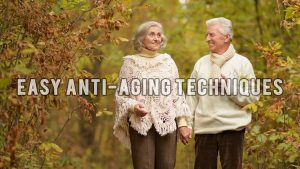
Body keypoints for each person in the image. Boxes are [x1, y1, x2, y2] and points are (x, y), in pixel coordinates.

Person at [113, 21, 192, 169]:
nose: (157, 38)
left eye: (159, 35)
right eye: (152, 34)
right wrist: (134, 106)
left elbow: (177, 95)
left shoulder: (168, 62)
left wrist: (182, 123)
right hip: (140, 123)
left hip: (167, 122)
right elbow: (121, 96)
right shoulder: (130, 64)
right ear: (141, 38)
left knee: (167, 166)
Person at [185, 17, 259, 169]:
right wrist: (185, 124)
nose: (207, 39)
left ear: (227, 37)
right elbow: (191, 98)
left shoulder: (242, 63)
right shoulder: (201, 63)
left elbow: (253, 98)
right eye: (207, 35)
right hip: (204, 130)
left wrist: (229, 88)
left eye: (211, 35)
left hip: (232, 129)